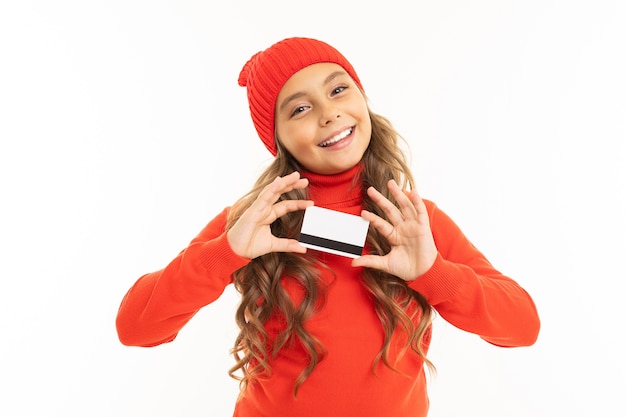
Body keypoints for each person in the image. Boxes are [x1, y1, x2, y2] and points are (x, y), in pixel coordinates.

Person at [116, 37, 540, 417]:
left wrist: (435, 275)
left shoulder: (413, 223)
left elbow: (523, 327)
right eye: (300, 108)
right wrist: (224, 253)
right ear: (277, 138)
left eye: (339, 89)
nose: (329, 112)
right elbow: (134, 328)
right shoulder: (253, 222)